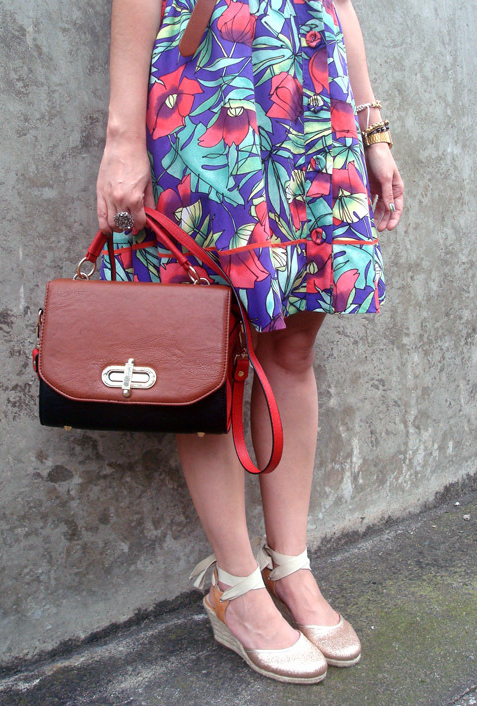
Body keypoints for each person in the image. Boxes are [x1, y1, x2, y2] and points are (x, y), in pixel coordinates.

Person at [96, 0, 404, 685]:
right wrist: (122, 137)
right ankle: (236, 586)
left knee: (293, 347)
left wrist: (373, 131)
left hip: (314, 93)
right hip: (215, 84)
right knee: (209, 352)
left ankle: (290, 566)